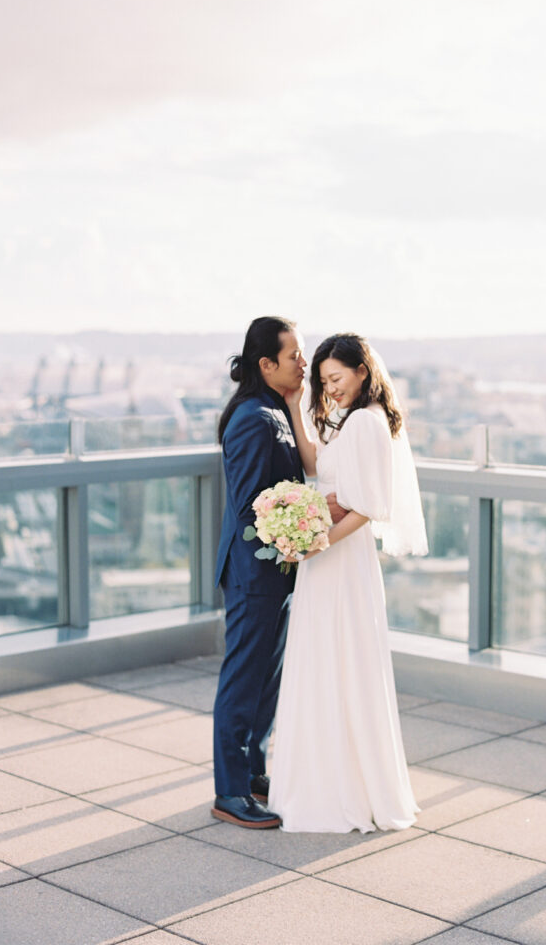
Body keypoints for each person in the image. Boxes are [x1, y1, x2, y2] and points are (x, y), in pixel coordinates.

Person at [268, 332, 428, 833]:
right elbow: (319, 469)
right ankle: (338, 781)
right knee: (332, 661)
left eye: (336, 378)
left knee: (336, 660)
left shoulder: (365, 421)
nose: (330, 389)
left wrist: (319, 542)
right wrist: (296, 406)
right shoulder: (353, 420)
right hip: (333, 556)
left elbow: (370, 506)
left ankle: (338, 789)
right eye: (322, 381)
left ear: (363, 371)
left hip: (338, 556)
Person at [211, 316, 346, 829]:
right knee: (243, 683)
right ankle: (229, 791)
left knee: (267, 682)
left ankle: (251, 771)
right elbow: (251, 504)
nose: (303, 363)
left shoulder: (276, 409)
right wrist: (308, 516)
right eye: (295, 356)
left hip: (278, 571)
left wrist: (313, 511)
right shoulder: (251, 416)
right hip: (254, 573)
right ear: (266, 364)